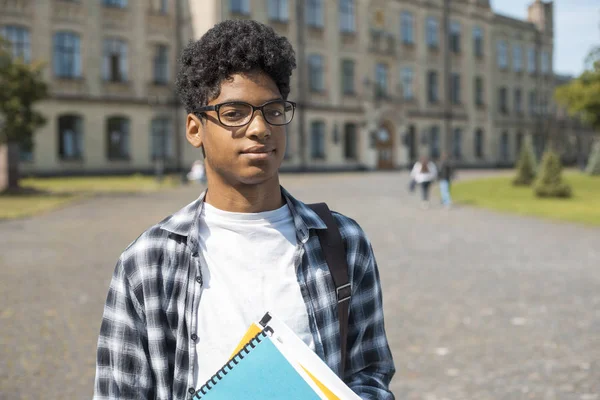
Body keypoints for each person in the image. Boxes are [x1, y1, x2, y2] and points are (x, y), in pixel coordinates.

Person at [93, 20, 395, 400]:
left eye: (272, 110)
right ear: (194, 129)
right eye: (235, 113)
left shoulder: (344, 242)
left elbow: (369, 372)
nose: (260, 129)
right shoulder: (148, 262)